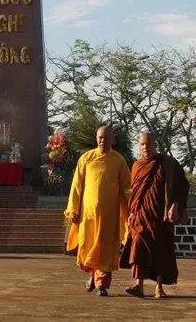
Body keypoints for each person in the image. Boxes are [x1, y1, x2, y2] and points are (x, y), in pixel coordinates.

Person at [120, 132, 189, 299]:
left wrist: (174, 206)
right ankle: (139, 285)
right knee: (139, 246)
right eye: (142, 144)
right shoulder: (137, 165)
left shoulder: (168, 163)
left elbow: (182, 186)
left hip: (161, 215)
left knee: (160, 250)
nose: (145, 147)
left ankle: (159, 288)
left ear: (155, 145)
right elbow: (134, 192)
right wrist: (132, 212)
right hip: (141, 214)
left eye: (148, 143)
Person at [65, 126, 131, 297]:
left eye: (106, 138)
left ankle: (101, 284)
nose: (103, 141)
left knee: (105, 249)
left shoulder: (118, 160)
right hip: (88, 214)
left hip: (109, 215)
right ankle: (93, 277)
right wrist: (73, 209)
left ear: (112, 140)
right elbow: (77, 185)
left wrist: (131, 196)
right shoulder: (86, 158)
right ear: (96, 138)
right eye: (100, 137)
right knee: (87, 247)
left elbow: (126, 185)